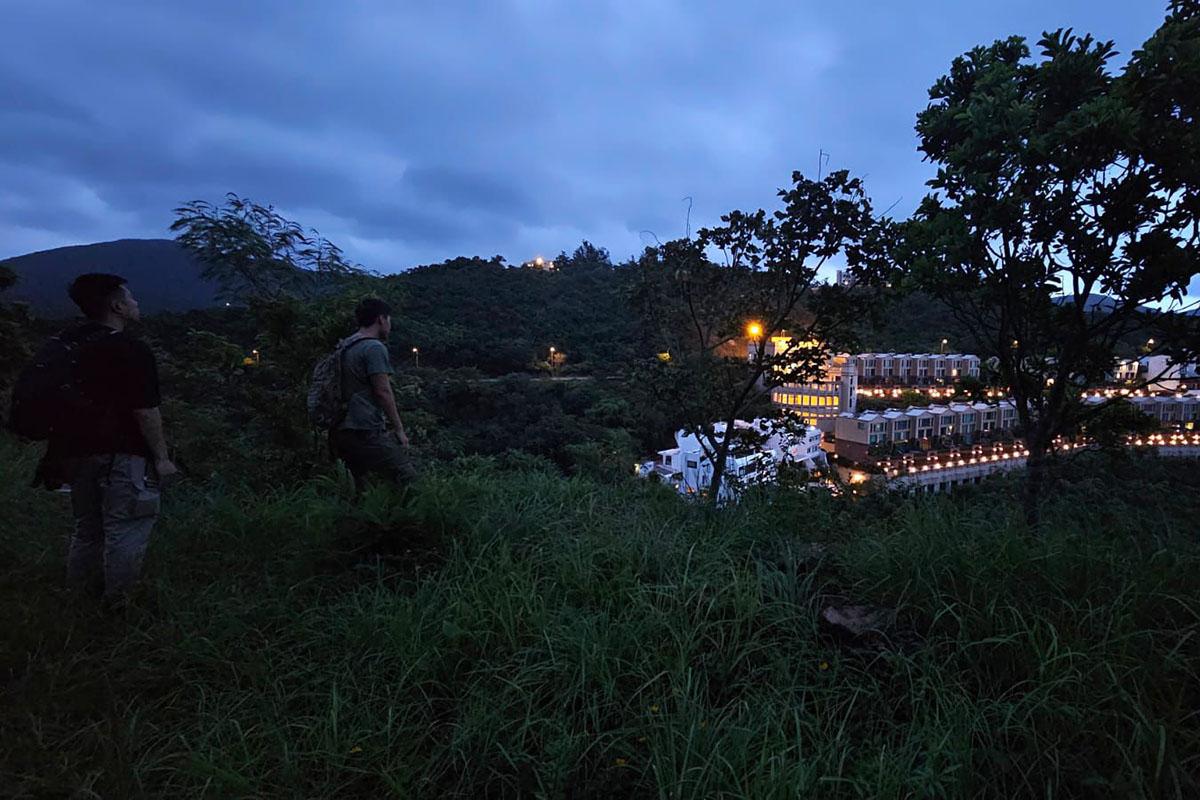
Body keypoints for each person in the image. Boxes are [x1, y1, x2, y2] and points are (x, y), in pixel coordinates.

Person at [39, 273, 179, 607]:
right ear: (117, 306)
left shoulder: (67, 343)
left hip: (74, 452)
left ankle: (77, 602)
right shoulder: (130, 349)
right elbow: (145, 410)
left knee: (87, 528)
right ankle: (118, 607)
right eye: (130, 298)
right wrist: (161, 458)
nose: (135, 303)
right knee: (126, 528)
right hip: (122, 455)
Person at [332, 297, 416, 493]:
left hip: (341, 428)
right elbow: (383, 391)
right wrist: (399, 430)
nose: (390, 325)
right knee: (408, 478)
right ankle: (413, 522)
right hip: (364, 428)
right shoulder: (374, 347)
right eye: (389, 320)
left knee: (362, 489)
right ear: (381, 319)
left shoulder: (345, 345)